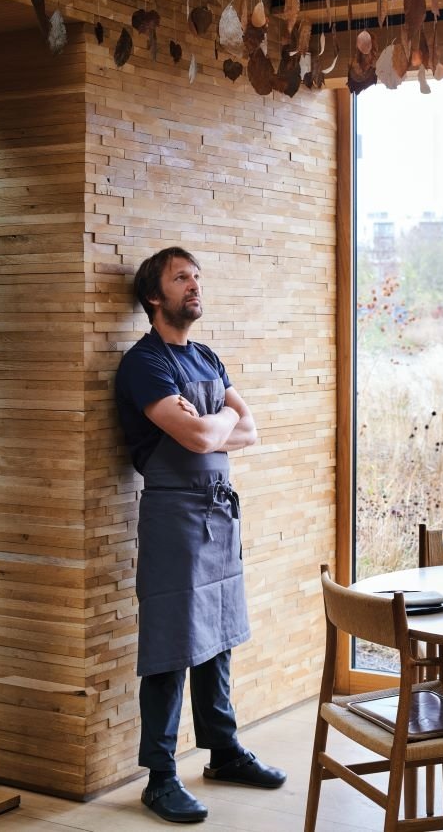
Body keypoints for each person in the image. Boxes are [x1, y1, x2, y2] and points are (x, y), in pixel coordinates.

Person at [115, 247, 286, 823]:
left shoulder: (207, 356)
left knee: (218, 634)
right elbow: (195, 440)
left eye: (196, 277)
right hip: (173, 516)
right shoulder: (145, 363)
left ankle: (224, 751)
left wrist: (216, 423)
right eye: (181, 278)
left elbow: (249, 430)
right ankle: (160, 777)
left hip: (218, 512)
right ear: (154, 296)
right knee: (169, 645)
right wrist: (220, 423)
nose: (194, 285)